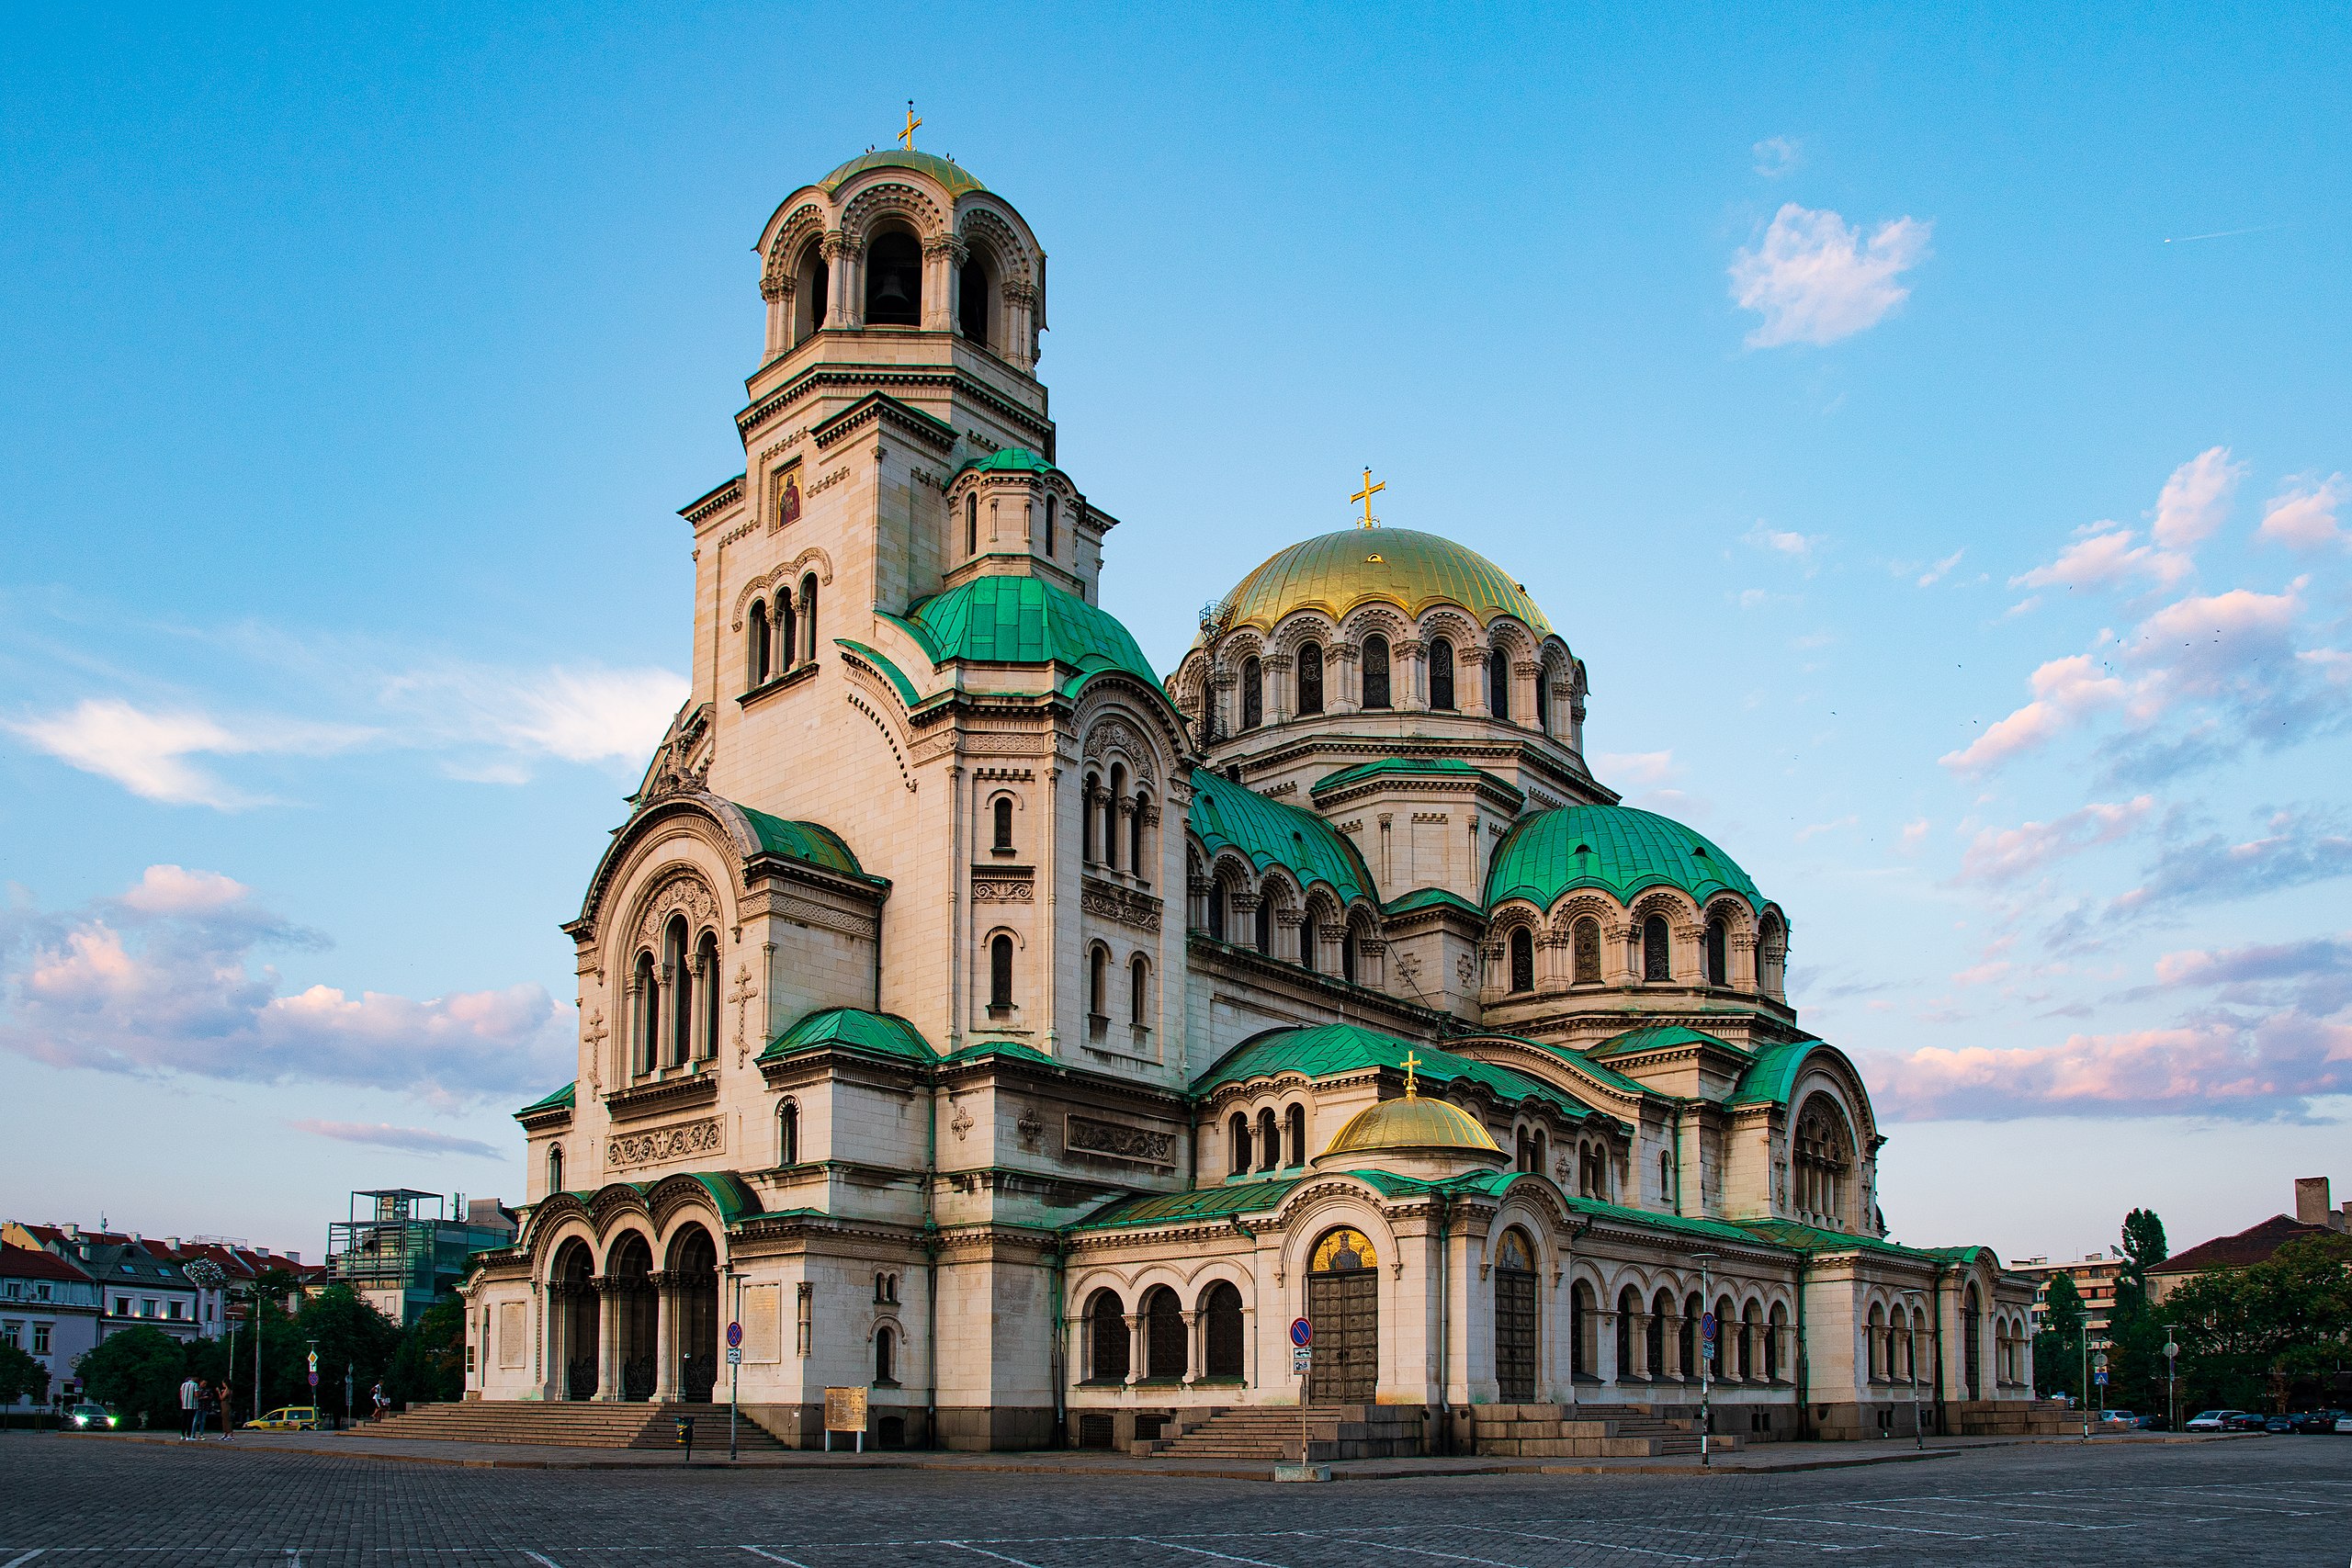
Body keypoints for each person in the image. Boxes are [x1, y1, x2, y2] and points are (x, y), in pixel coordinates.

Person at [178, 1374, 200, 1440]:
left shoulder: (183, 1384)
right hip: (192, 1405)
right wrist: (200, 1393)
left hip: (184, 1404)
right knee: (190, 1420)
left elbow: (181, 1393)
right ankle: (188, 1435)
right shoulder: (195, 1385)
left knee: (184, 1420)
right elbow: (196, 1395)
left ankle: (182, 1435)